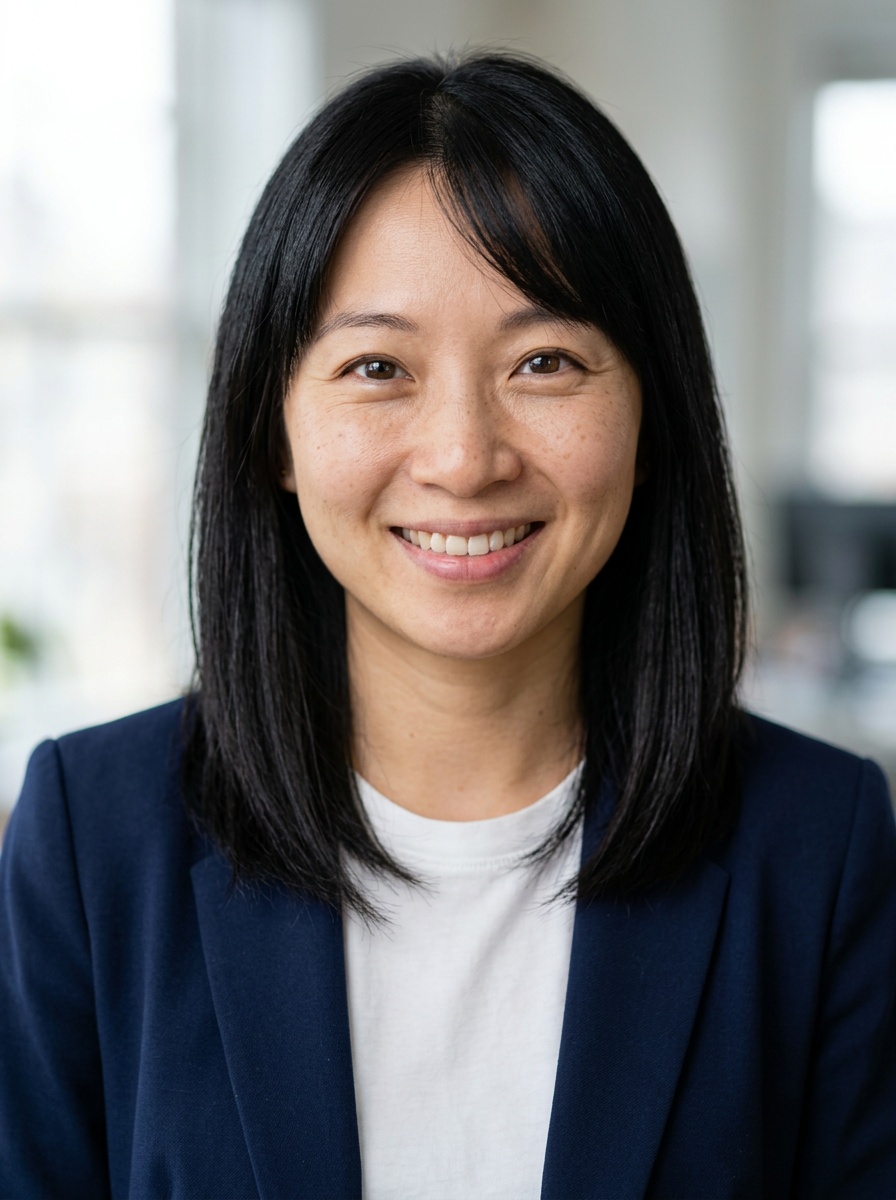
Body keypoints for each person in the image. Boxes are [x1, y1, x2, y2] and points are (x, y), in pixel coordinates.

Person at [1, 51, 894, 1200]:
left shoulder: (815, 847)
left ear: (649, 411)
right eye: (378, 366)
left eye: (544, 362)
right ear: (271, 429)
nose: (464, 458)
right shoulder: (92, 838)